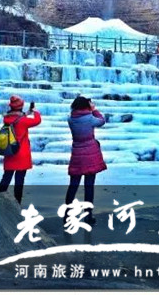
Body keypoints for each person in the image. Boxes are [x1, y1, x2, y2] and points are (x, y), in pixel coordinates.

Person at [65, 96, 107, 225]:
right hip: (90, 154)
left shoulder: (71, 119)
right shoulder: (89, 118)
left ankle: (67, 214)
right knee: (89, 186)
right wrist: (94, 110)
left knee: (73, 185)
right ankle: (88, 215)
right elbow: (102, 121)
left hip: (77, 153)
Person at [0, 95, 42, 204]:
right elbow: (37, 120)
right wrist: (35, 111)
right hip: (21, 153)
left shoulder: (7, 118)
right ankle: (17, 202)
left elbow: (17, 117)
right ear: (21, 106)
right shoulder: (23, 121)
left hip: (10, 152)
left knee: (7, 177)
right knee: (19, 180)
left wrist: (27, 113)